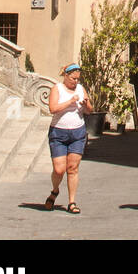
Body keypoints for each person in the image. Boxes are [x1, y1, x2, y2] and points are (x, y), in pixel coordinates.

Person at [45, 62, 92, 214]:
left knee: (72, 168)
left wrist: (86, 105)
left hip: (77, 132)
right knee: (59, 170)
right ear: (66, 76)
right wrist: (70, 101)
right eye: (73, 79)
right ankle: (55, 190)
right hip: (58, 133)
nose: (76, 82)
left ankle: (72, 202)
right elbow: (53, 108)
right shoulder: (57, 89)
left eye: (78, 79)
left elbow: (90, 110)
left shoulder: (80, 89)